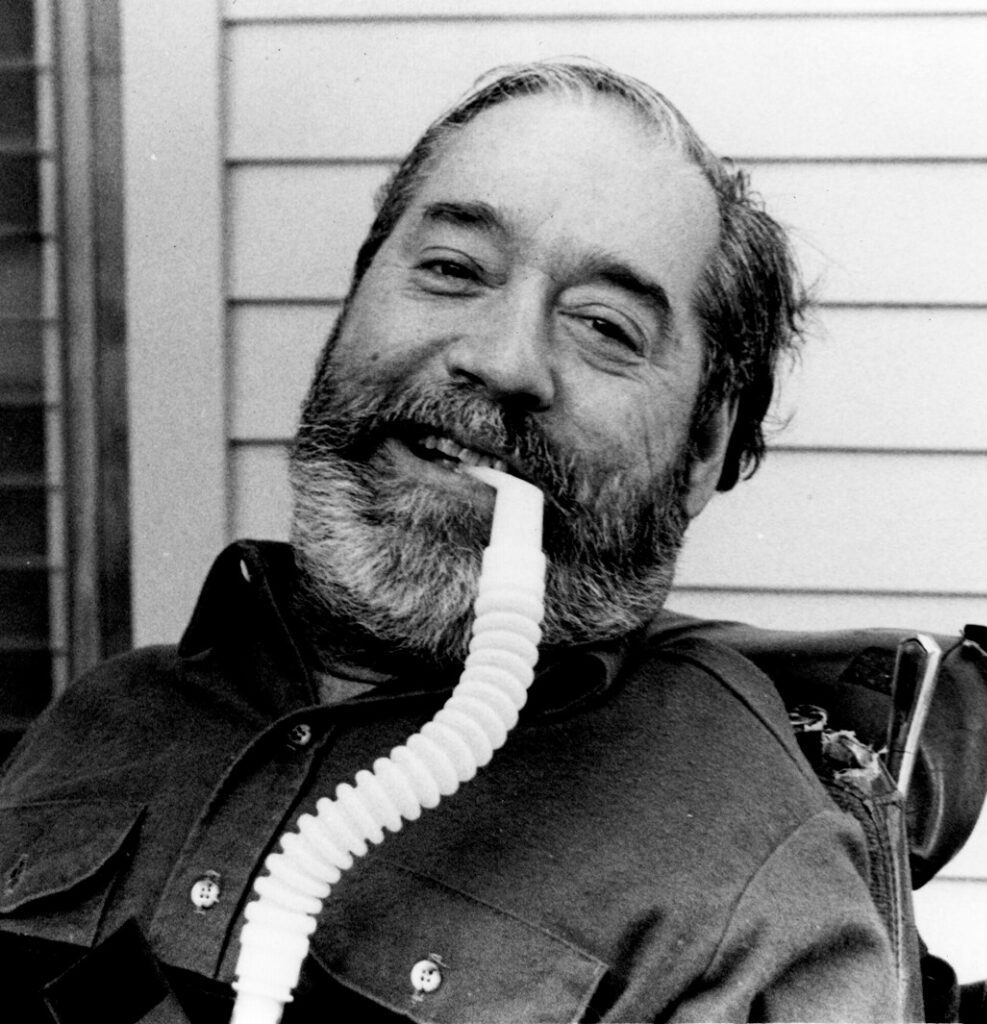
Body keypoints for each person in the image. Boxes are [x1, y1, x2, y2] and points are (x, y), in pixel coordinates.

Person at [0, 60, 899, 1022]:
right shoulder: (98, 722)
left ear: (702, 451)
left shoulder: (751, 889)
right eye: (452, 269)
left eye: (604, 325)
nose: (503, 359)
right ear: (355, 302)